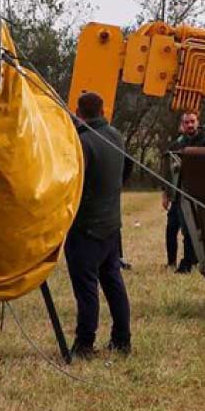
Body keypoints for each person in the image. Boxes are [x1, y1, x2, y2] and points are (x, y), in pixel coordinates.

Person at [64, 91, 132, 359]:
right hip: (111, 226)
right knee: (113, 283)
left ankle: (84, 344)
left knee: (87, 290)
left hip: (87, 229)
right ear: (103, 110)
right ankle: (122, 339)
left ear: (79, 112)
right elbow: (126, 171)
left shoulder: (82, 142)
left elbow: (72, 183)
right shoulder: (116, 136)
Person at [162, 111, 205, 274]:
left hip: (193, 195)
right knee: (171, 229)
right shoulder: (176, 144)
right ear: (182, 125)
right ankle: (170, 262)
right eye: (186, 122)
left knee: (189, 231)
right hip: (176, 195)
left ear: (198, 122)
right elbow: (167, 170)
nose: (190, 125)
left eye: (192, 121)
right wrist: (165, 193)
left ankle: (187, 264)